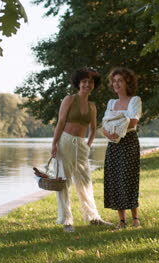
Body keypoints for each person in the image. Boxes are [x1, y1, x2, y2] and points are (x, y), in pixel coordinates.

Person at [51, 67, 112, 232]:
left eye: (91, 82)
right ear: (78, 83)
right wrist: (54, 144)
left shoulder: (92, 106)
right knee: (63, 182)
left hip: (81, 144)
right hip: (65, 141)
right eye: (84, 81)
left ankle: (93, 217)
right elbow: (61, 122)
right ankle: (66, 221)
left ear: (94, 85)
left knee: (85, 181)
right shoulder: (69, 99)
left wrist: (88, 145)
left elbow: (93, 129)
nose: (87, 84)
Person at [102, 67, 142, 229]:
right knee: (115, 179)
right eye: (114, 81)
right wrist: (108, 133)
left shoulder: (135, 100)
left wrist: (116, 126)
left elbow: (133, 121)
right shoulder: (111, 103)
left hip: (129, 141)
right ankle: (121, 220)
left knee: (128, 178)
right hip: (113, 144)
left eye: (120, 80)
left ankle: (135, 218)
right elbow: (105, 124)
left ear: (127, 82)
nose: (116, 84)